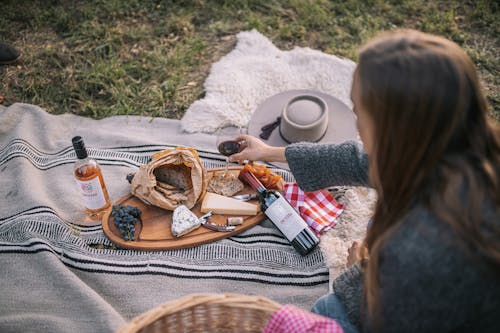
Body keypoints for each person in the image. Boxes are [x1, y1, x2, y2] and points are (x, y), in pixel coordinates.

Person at [229, 29, 500, 333]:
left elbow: (391, 320)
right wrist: (268, 152)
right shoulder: (459, 147)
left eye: (359, 112)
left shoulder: (418, 245)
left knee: (327, 310)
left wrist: (359, 274)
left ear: (393, 129)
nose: (357, 125)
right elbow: (361, 161)